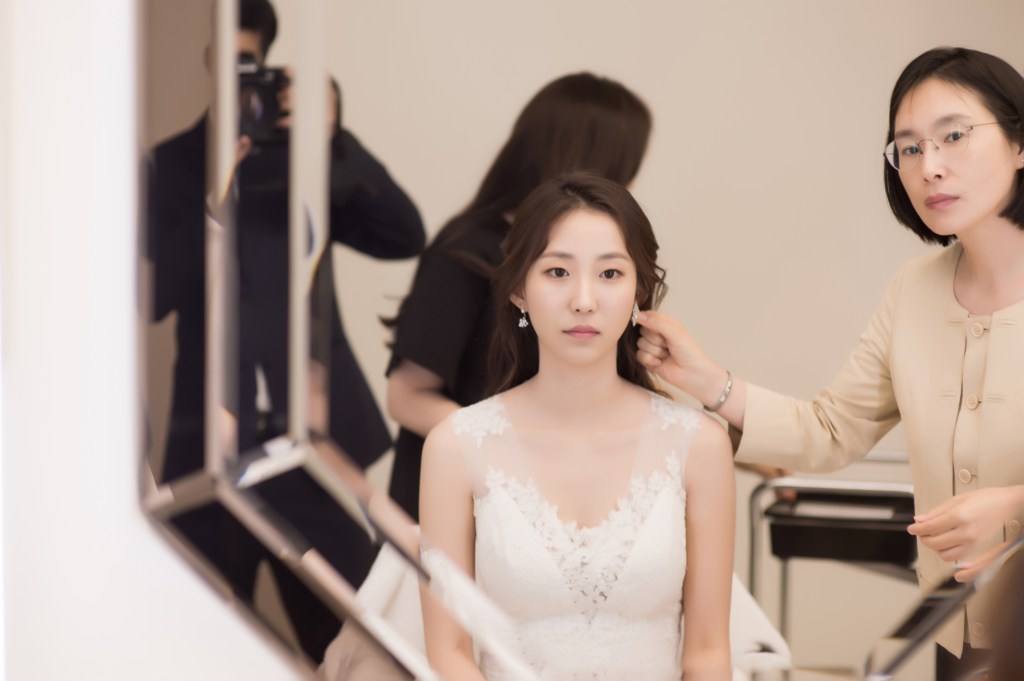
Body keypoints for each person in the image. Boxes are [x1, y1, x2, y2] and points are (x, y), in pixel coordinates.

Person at [634, 46, 1024, 681]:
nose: (930, 166)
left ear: (1018, 143)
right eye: (909, 148)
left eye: (954, 136)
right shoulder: (915, 290)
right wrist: (704, 379)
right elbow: (831, 430)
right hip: (961, 633)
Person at [147, 0, 424, 662]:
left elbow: (403, 234)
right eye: (224, 65)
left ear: (263, 63)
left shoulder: (300, 153)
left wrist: (332, 134)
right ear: (207, 64)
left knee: (361, 640)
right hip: (210, 443)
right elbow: (154, 297)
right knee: (191, 644)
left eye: (249, 64)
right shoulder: (173, 163)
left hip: (311, 443)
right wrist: (212, 199)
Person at [418, 172, 735, 681]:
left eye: (610, 274)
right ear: (519, 289)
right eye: (557, 273)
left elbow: (707, 653)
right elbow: (449, 652)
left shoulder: (700, 445)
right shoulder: (456, 447)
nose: (584, 300)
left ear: (639, 291)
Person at [386, 72, 652, 520]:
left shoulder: (604, 269)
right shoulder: (465, 252)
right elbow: (405, 396)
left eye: (609, 273)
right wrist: (513, 452)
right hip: (461, 506)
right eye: (623, 171)